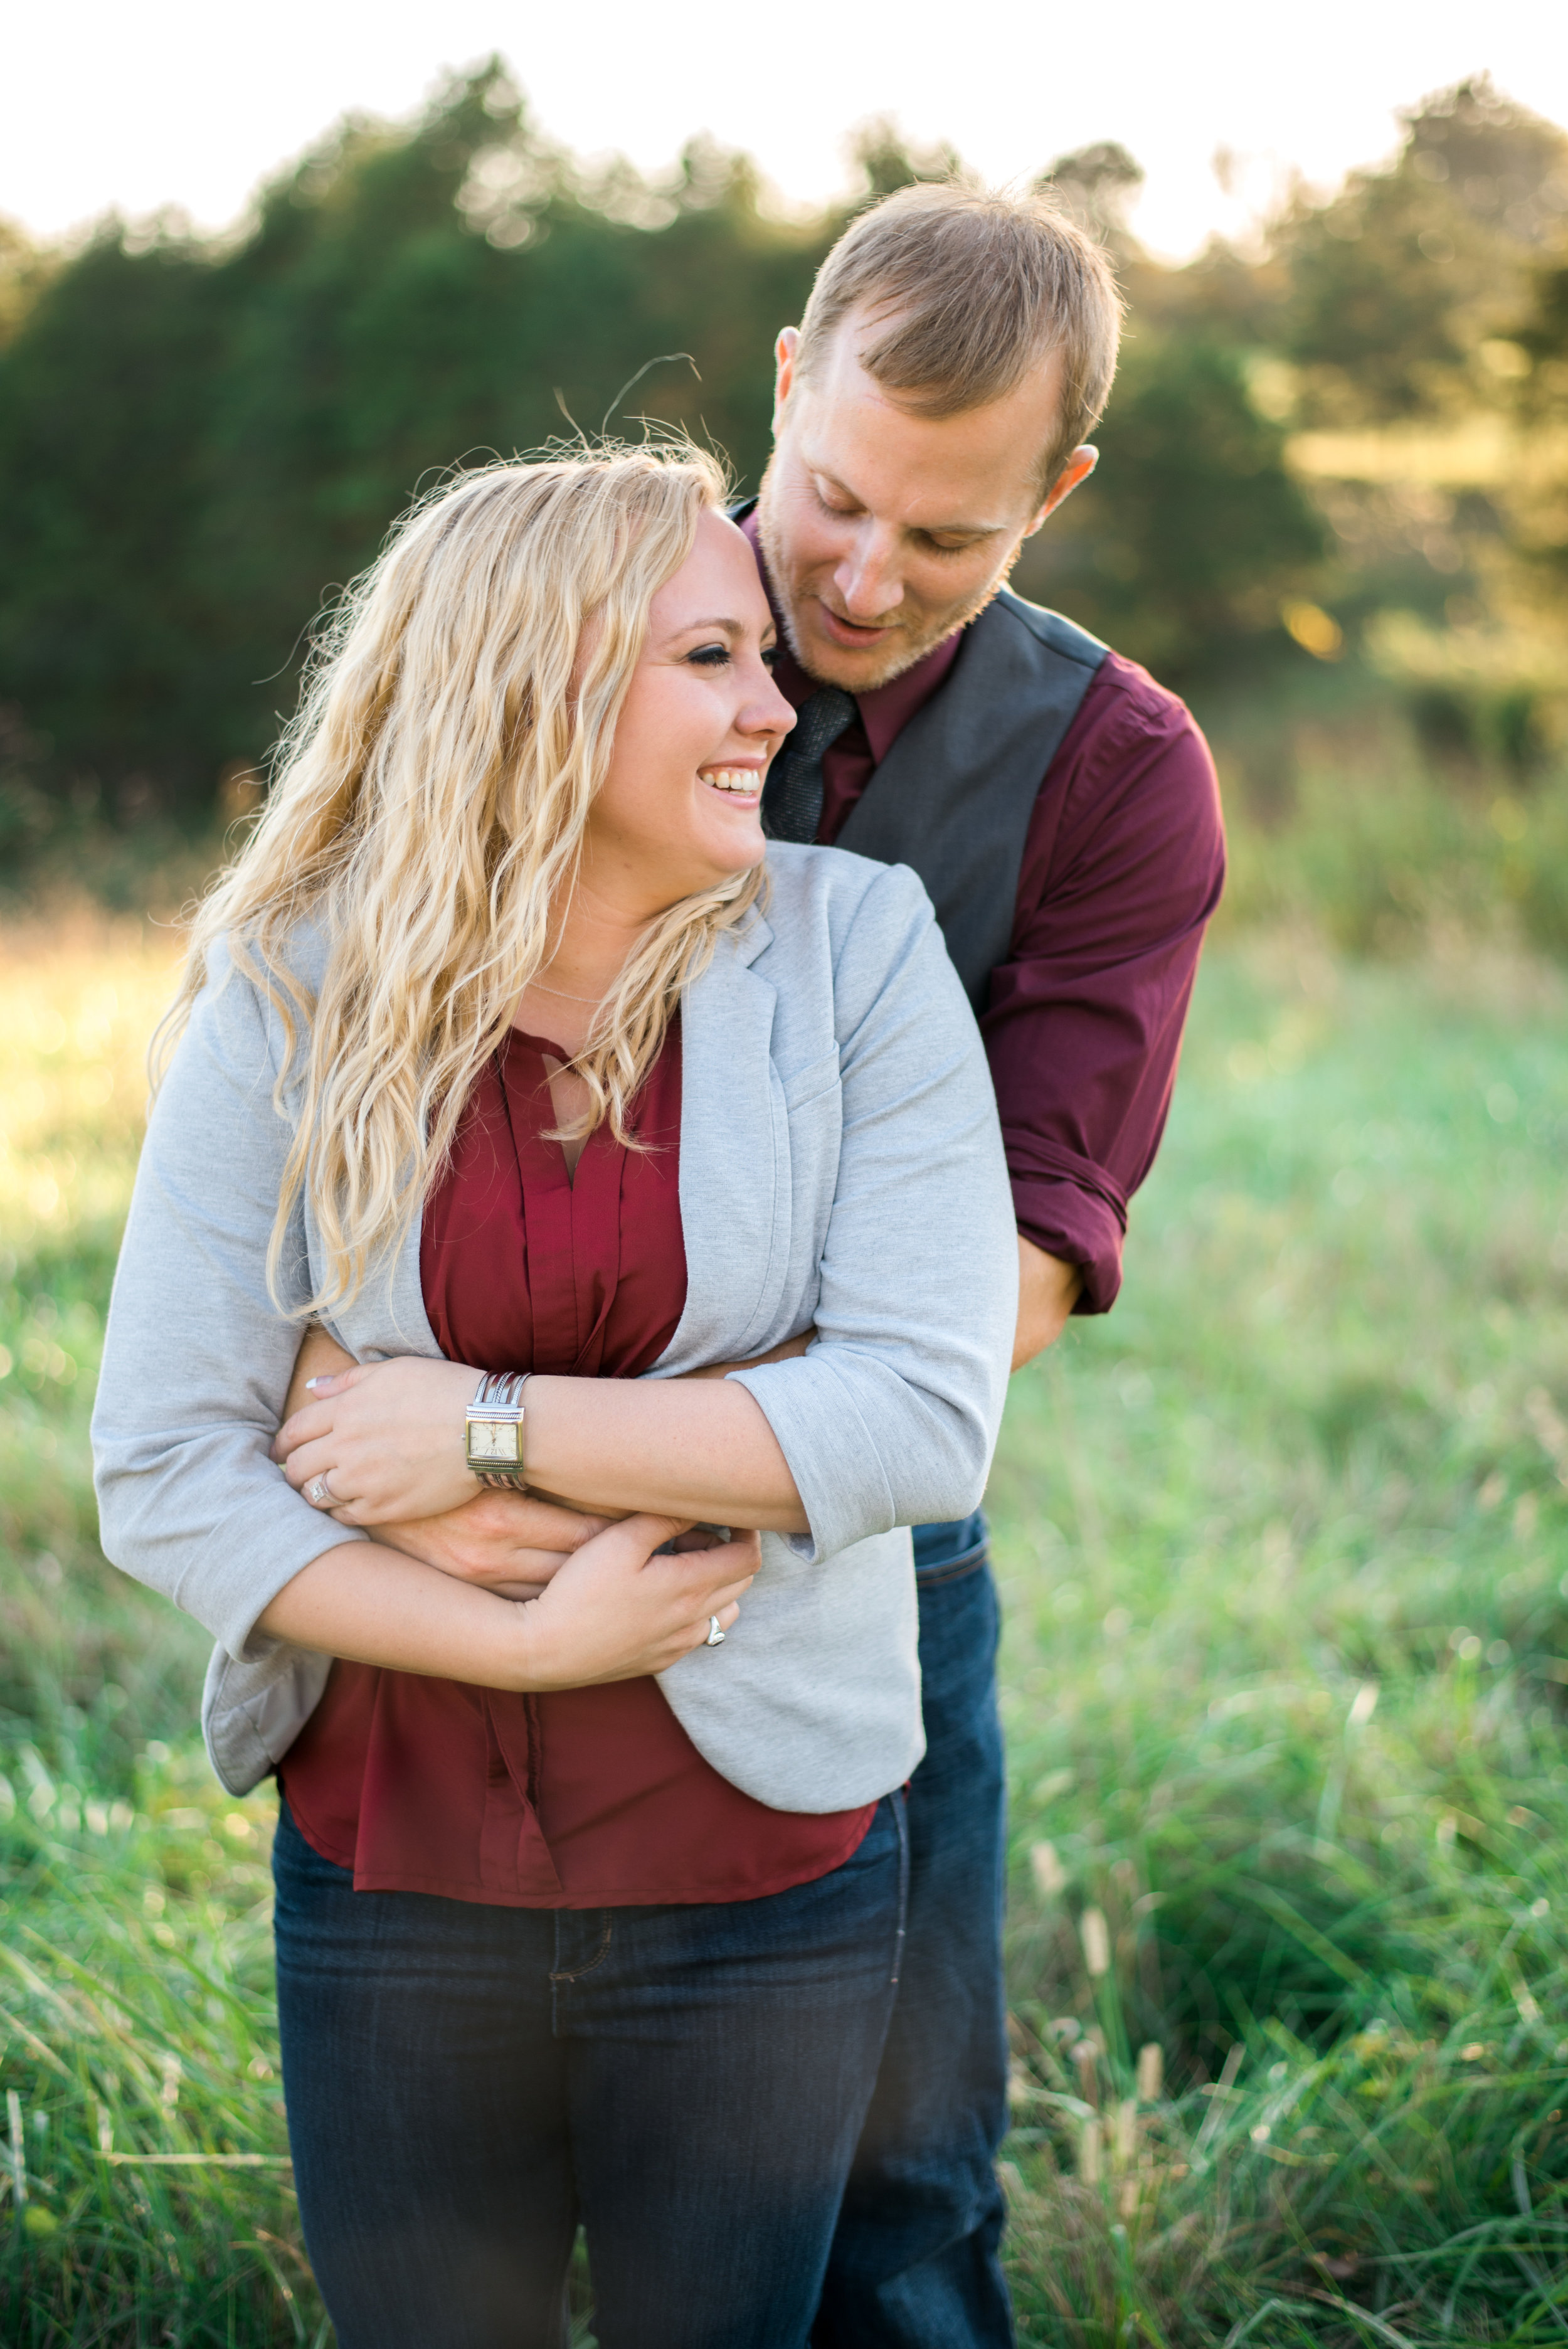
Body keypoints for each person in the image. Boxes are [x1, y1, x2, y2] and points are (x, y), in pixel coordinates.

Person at [316, 181, 1227, 2345]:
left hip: (842, 1561)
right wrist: (452, 1503)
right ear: (789, 378)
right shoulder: (533, 629)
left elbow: (1004, 1286)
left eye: (950, 540)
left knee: (892, 2200)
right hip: (434, 1541)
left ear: (1057, 494)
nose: (857, 577)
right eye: (832, 503)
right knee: (459, 2206)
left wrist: (541, 1454)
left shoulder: (1111, 776)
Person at [91, 443, 1020, 2349]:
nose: (778, 705)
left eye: (760, 656)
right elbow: (167, 1468)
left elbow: (917, 1418)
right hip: (392, 1863)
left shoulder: (854, 952)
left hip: (763, 1871)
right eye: (712, 657)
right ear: (540, 682)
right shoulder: (291, 982)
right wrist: (511, 1640)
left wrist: (464, 1428)